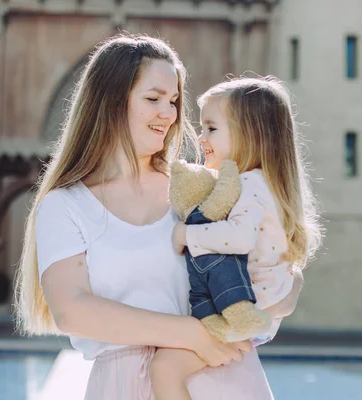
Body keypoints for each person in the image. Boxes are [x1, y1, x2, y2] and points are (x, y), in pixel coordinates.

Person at [15, 33, 305, 399]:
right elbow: (73, 311)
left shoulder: (201, 187)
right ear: (110, 102)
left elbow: (273, 269)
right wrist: (190, 334)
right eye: (153, 99)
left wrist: (290, 289)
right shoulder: (65, 205)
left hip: (225, 376)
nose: (168, 115)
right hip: (122, 385)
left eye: (173, 101)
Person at [149, 76, 323, 400]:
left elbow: (239, 238)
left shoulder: (250, 185)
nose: (201, 138)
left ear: (250, 134)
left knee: (165, 369)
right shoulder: (262, 183)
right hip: (260, 308)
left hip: (244, 308)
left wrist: (186, 234)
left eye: (211, 129)